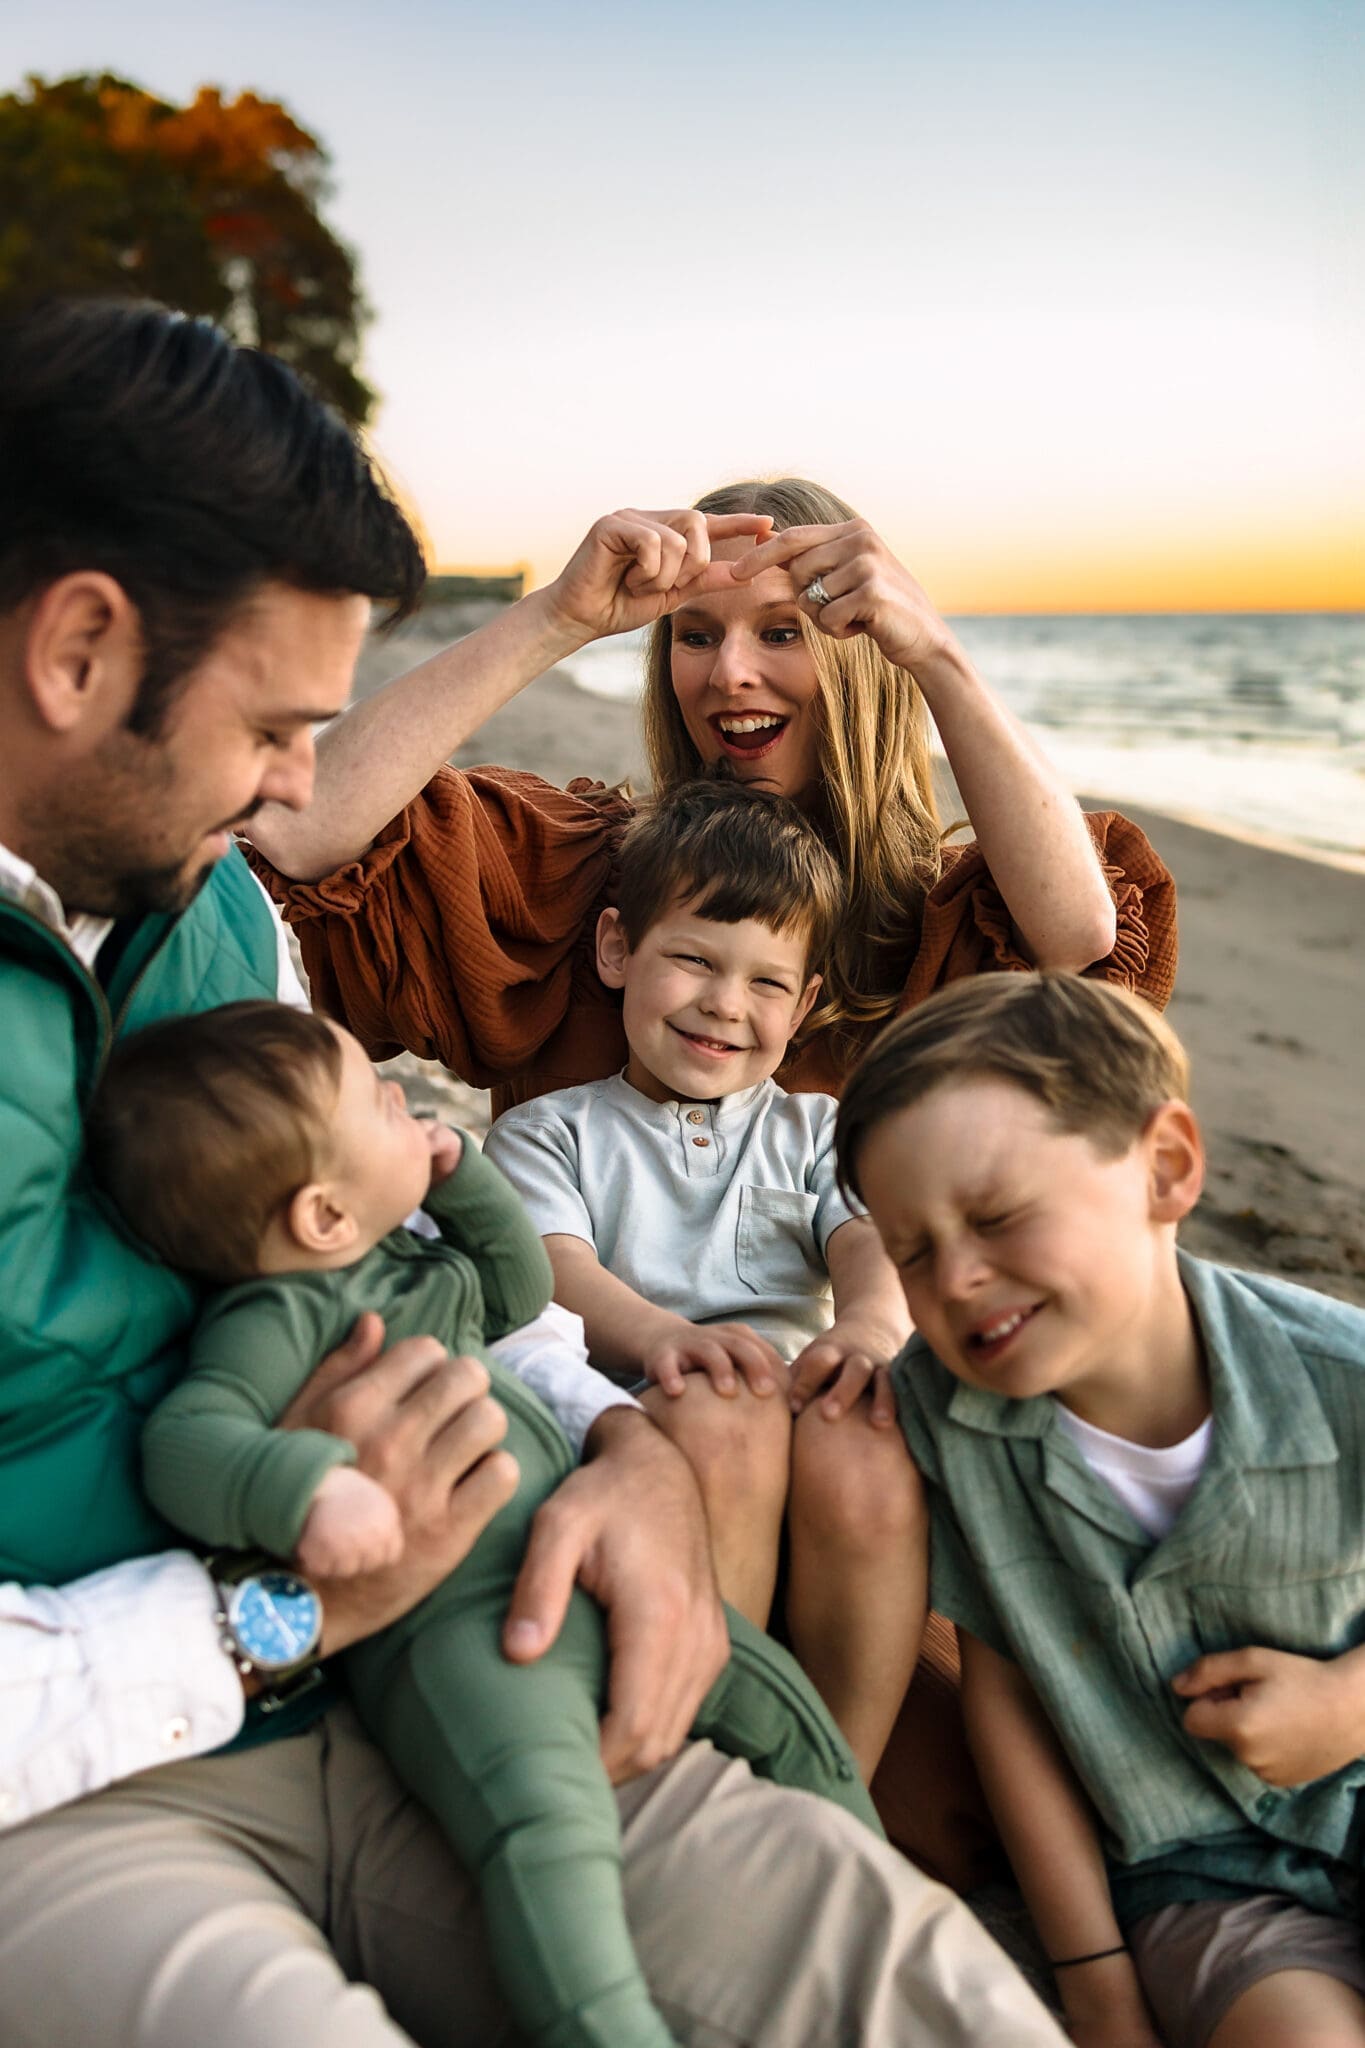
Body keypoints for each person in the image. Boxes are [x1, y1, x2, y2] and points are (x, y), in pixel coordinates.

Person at [0, 296, 1069, 2048]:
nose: (295, 785)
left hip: (455, 1646)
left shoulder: (216, 925)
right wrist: (276, 1609)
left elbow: (431, 1251)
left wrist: (629, 1451)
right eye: (277, 722)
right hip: (95, 1780)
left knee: (924, 1994)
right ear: (79, 651)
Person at [245, 476, 1178, 1884]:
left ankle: (809, 1833)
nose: (727, 672)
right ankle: (715, 1820)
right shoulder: (591, 877)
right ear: (624, 950)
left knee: (998, 1801)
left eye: (784, 630)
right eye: (693, 634)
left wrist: (936, 650)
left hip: (852, 1441)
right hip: (622, 1420)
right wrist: (561, 615)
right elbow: (301, 843)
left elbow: (1079, 945)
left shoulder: (939, 914)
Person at [88, 996, 881, 2048]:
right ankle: (602, 2023)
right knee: (545, 1834)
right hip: (465, 1628)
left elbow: (514, 1289)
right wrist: (314, 1491)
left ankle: (857, 1854)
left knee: (785, 1709)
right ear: (323, 1215)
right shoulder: (278, 1317)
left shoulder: (410, 1260)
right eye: (378, 1101)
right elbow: (188, 1441)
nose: (406, 1099)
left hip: (574, 1550)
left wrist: (460, 1180)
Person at [835, 970, 1365, 2048]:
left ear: (1165, 1168)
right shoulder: (949, 1422)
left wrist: (1350, 1703)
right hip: (1202, 1881)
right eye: (913, 1251)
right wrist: (1096, 1982)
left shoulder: (1340, 1376)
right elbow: (1012, 1696)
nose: (960, 1275)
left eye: (996, 1215)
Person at [484, 774, 923, 1778]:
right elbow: (555, 1265)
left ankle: (834, 1780)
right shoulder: (552, 1130)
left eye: (767, 982)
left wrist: (865, 1326)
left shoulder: (815, 1129)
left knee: (868, 1446)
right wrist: (664, 1335)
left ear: (806, 1002)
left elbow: (866, 1239)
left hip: (793, 1402)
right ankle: (707, 1756)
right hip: (643, 1401)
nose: (727, 1004)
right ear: (616, 950)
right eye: (693, 959)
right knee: (720, 1411)